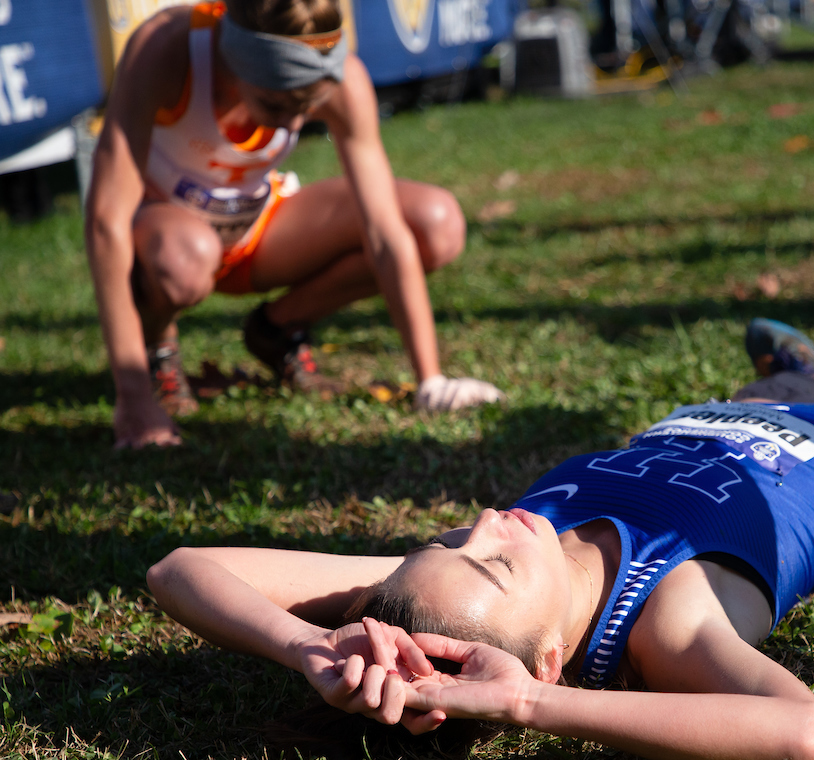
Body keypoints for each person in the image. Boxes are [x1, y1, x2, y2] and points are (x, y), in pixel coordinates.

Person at [147, 319, 814, 760]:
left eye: (452, 533)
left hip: (741, 419)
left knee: (795, 388)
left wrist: (307, 650)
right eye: (492, 558)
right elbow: (798, 731)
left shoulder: (444, 587)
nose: (487, 521)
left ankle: (813, 372)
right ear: (544, 654)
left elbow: (179, 566)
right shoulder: (667, 612)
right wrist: (521, 705)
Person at [86, 0, 503, 450]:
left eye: (308, 105)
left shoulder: (340, 74)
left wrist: (431, 381)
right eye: (275, 103)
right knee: (184, 257)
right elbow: (106, 220)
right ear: (236, 59)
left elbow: (385, 231)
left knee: (435, 223)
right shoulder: (168, 46)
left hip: (257, 229)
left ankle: (277, 329)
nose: (293, 122)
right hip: (167, 245)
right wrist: (131, 398)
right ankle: (157, 351)